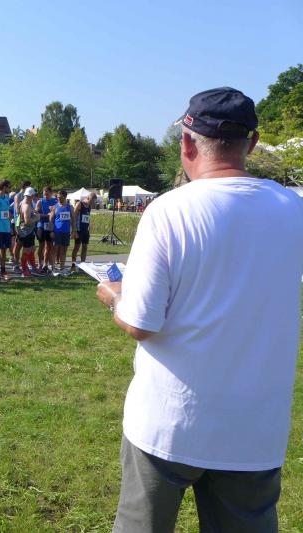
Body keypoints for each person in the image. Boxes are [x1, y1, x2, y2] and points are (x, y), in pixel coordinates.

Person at [96, 87, 303, 533]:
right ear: (252, 143)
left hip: (170, 421)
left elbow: (140, 323)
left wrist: (114, 294)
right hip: (255, 426)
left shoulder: (169, 211)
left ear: (187, 144)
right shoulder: (294, 209)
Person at [16, 187, 41, 278]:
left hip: (27, 231)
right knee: (27, 250)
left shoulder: (24, 203)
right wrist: (36, 218)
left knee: (32, 249)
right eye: (34, 195)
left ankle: (33, 268)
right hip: (26, 232)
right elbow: (27, 221)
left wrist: (35, 213)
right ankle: (24, 270)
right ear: (31, 195)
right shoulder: (26, 205)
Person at [49, 189, 75, 275]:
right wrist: (51, 231)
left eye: (61, 197)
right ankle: (53, 268)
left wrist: (73, 231)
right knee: (54, 250)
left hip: (66, 232)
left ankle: (62, 268)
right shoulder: (55, 207)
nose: (59, 199)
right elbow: (51, 220)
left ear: (65, 197)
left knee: (64, 250)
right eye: (58, 197)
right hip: (57, 232)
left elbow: (73, 220)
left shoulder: (70, 207)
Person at [71, 192, 97, 272]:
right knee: (76, 247)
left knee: (85, 247)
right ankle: (73, 265)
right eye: (92, 201)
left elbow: (87, 218)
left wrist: (89, 229)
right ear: (88, 198)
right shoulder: (79, 204)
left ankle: (83, 265)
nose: (93, 203)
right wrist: (74, 230)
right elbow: (74, 216)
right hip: (79, 230)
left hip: (86, 230)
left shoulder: (89, 206)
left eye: (94, 201)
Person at [35, 186, 57, 274]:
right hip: (41, 226)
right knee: (41, 245)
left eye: (47, 194)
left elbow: (55, 214)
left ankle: (45, 264)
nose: (45, 196)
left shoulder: (55, 202)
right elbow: (36, 214)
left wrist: (51, 214)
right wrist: (46, 215)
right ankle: (39, 264)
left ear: (51, 193)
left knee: (49, 246)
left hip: (50, 226)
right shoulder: (40, 202)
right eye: (44, 194)